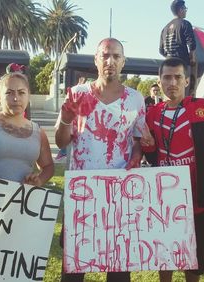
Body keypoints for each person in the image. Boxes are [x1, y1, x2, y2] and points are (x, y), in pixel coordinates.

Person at [55, 38, 149, 282]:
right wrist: (66, 118)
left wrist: (138, 153)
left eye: (116, 56)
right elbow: (61, 142)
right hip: (82, 195)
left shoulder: (136, 99)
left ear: (123, 62)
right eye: (105, 55)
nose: (110, 61)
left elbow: (138, 140)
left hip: (119, 196)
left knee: (118, 271)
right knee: (74, 271)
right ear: (96, 60)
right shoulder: (77, 94)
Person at [143, 57, 204, 282]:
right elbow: (149, 155)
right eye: (167, 77)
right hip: (164, 201)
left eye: (178, 77)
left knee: (194, 259)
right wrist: (148, 146)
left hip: (197, 200)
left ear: (187, 81)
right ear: (159, 82)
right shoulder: (151, 114)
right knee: (165, 255)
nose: (172, 82)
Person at [160, 0, 197, 95]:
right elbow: (191, 43)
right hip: (182, 63)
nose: (186, 11)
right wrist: (192, 57)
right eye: (185, 9)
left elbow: (161, 50)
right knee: (184, 92)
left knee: (170, 94)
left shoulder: (164, 28)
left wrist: (170, 56)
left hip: (167, 64)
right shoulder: (185, 23)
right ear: (180, 10)